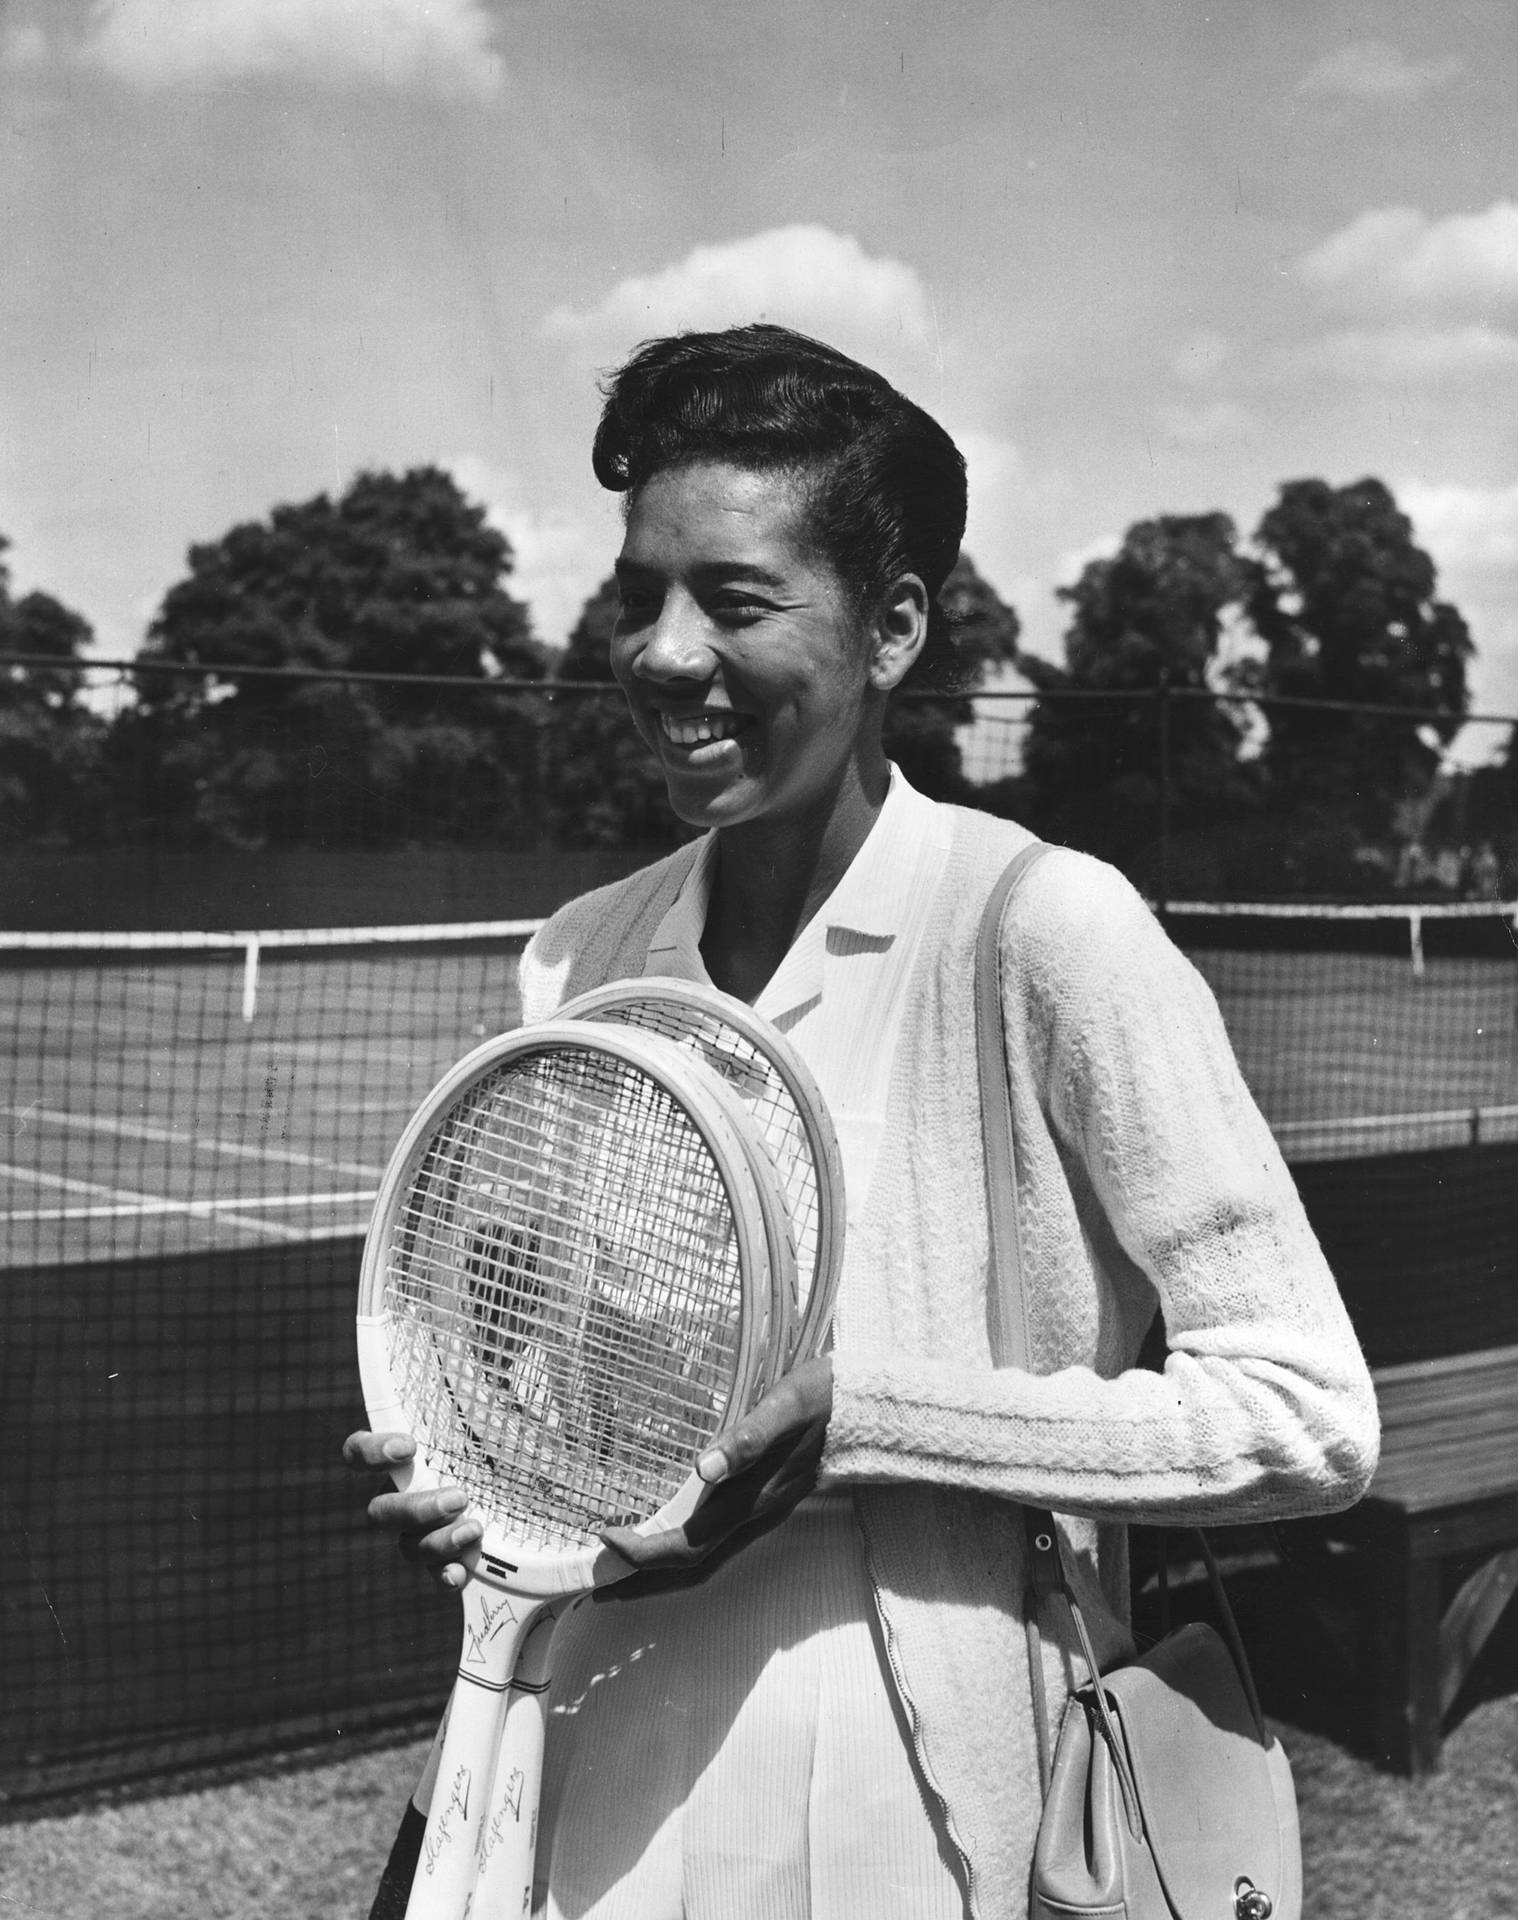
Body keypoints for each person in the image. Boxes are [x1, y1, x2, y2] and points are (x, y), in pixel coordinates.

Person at [345, 323, 1379, 1920]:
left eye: (734, 600)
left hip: (912, 1803)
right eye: (640, 593)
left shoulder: (1050, 928)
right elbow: (581, 1402)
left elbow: (1305, 1419)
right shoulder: (575, 953)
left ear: (892, 627)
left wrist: (863, 1424)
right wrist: (490, 1479)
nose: (662, 651)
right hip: (587, 1752)